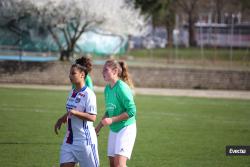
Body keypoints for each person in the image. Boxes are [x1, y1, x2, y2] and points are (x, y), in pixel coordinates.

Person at [54, 60, 99, 167]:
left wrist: (75, 112)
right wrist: (61, 119)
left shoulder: (89, 94)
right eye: (70, 73)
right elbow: (71, 112)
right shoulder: (72, 92)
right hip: (69, 140)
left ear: (82, 75)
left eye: (73, 73)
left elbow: (93, 117)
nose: (70, 76)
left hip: (85, 141)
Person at [95, 59, 136, 167]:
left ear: (115, 71)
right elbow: (109, 111)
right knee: (112, 164)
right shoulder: (107, 89)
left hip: (126, 128)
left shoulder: (122, 88)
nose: (102, 72)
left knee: (119, 165)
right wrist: (98, 128)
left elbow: (132, 111)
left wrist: (112, 120)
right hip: (114, 129)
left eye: (105, 69)